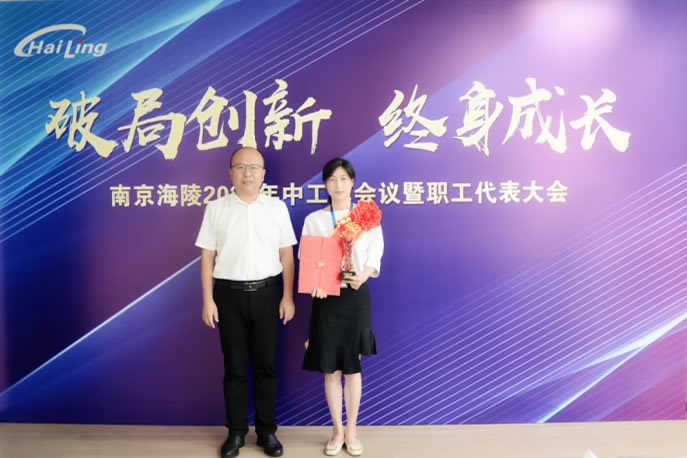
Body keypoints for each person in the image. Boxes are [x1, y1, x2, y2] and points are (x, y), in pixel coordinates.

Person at [196, 146, 296, 458]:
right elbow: (207, 257)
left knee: (266, 367)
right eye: (241, 167)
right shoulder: (216, 208)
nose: (247, 173)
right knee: (235, 367)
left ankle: (267, 432)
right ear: (230, 173)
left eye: (254, 168)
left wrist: (287, 297)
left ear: (263, 174)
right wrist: (208, 300)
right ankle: (236, 432)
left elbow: (286, 255)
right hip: (229, 295)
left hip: (268, 294)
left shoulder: (276, 208)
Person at [300, 158, 384, 457]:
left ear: (353, 182)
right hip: (326, 299)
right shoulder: (314, 220)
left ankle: (352, 430)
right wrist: (315, 283)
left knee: (352, 367)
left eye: (344, 179)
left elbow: (375, 253)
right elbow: (307, 260)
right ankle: (336, 430)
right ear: (325, 184)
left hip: (355, 296)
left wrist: (364, 274)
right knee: (332, 368)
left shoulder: (366, 216)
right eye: (332, 179)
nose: (338, 185)